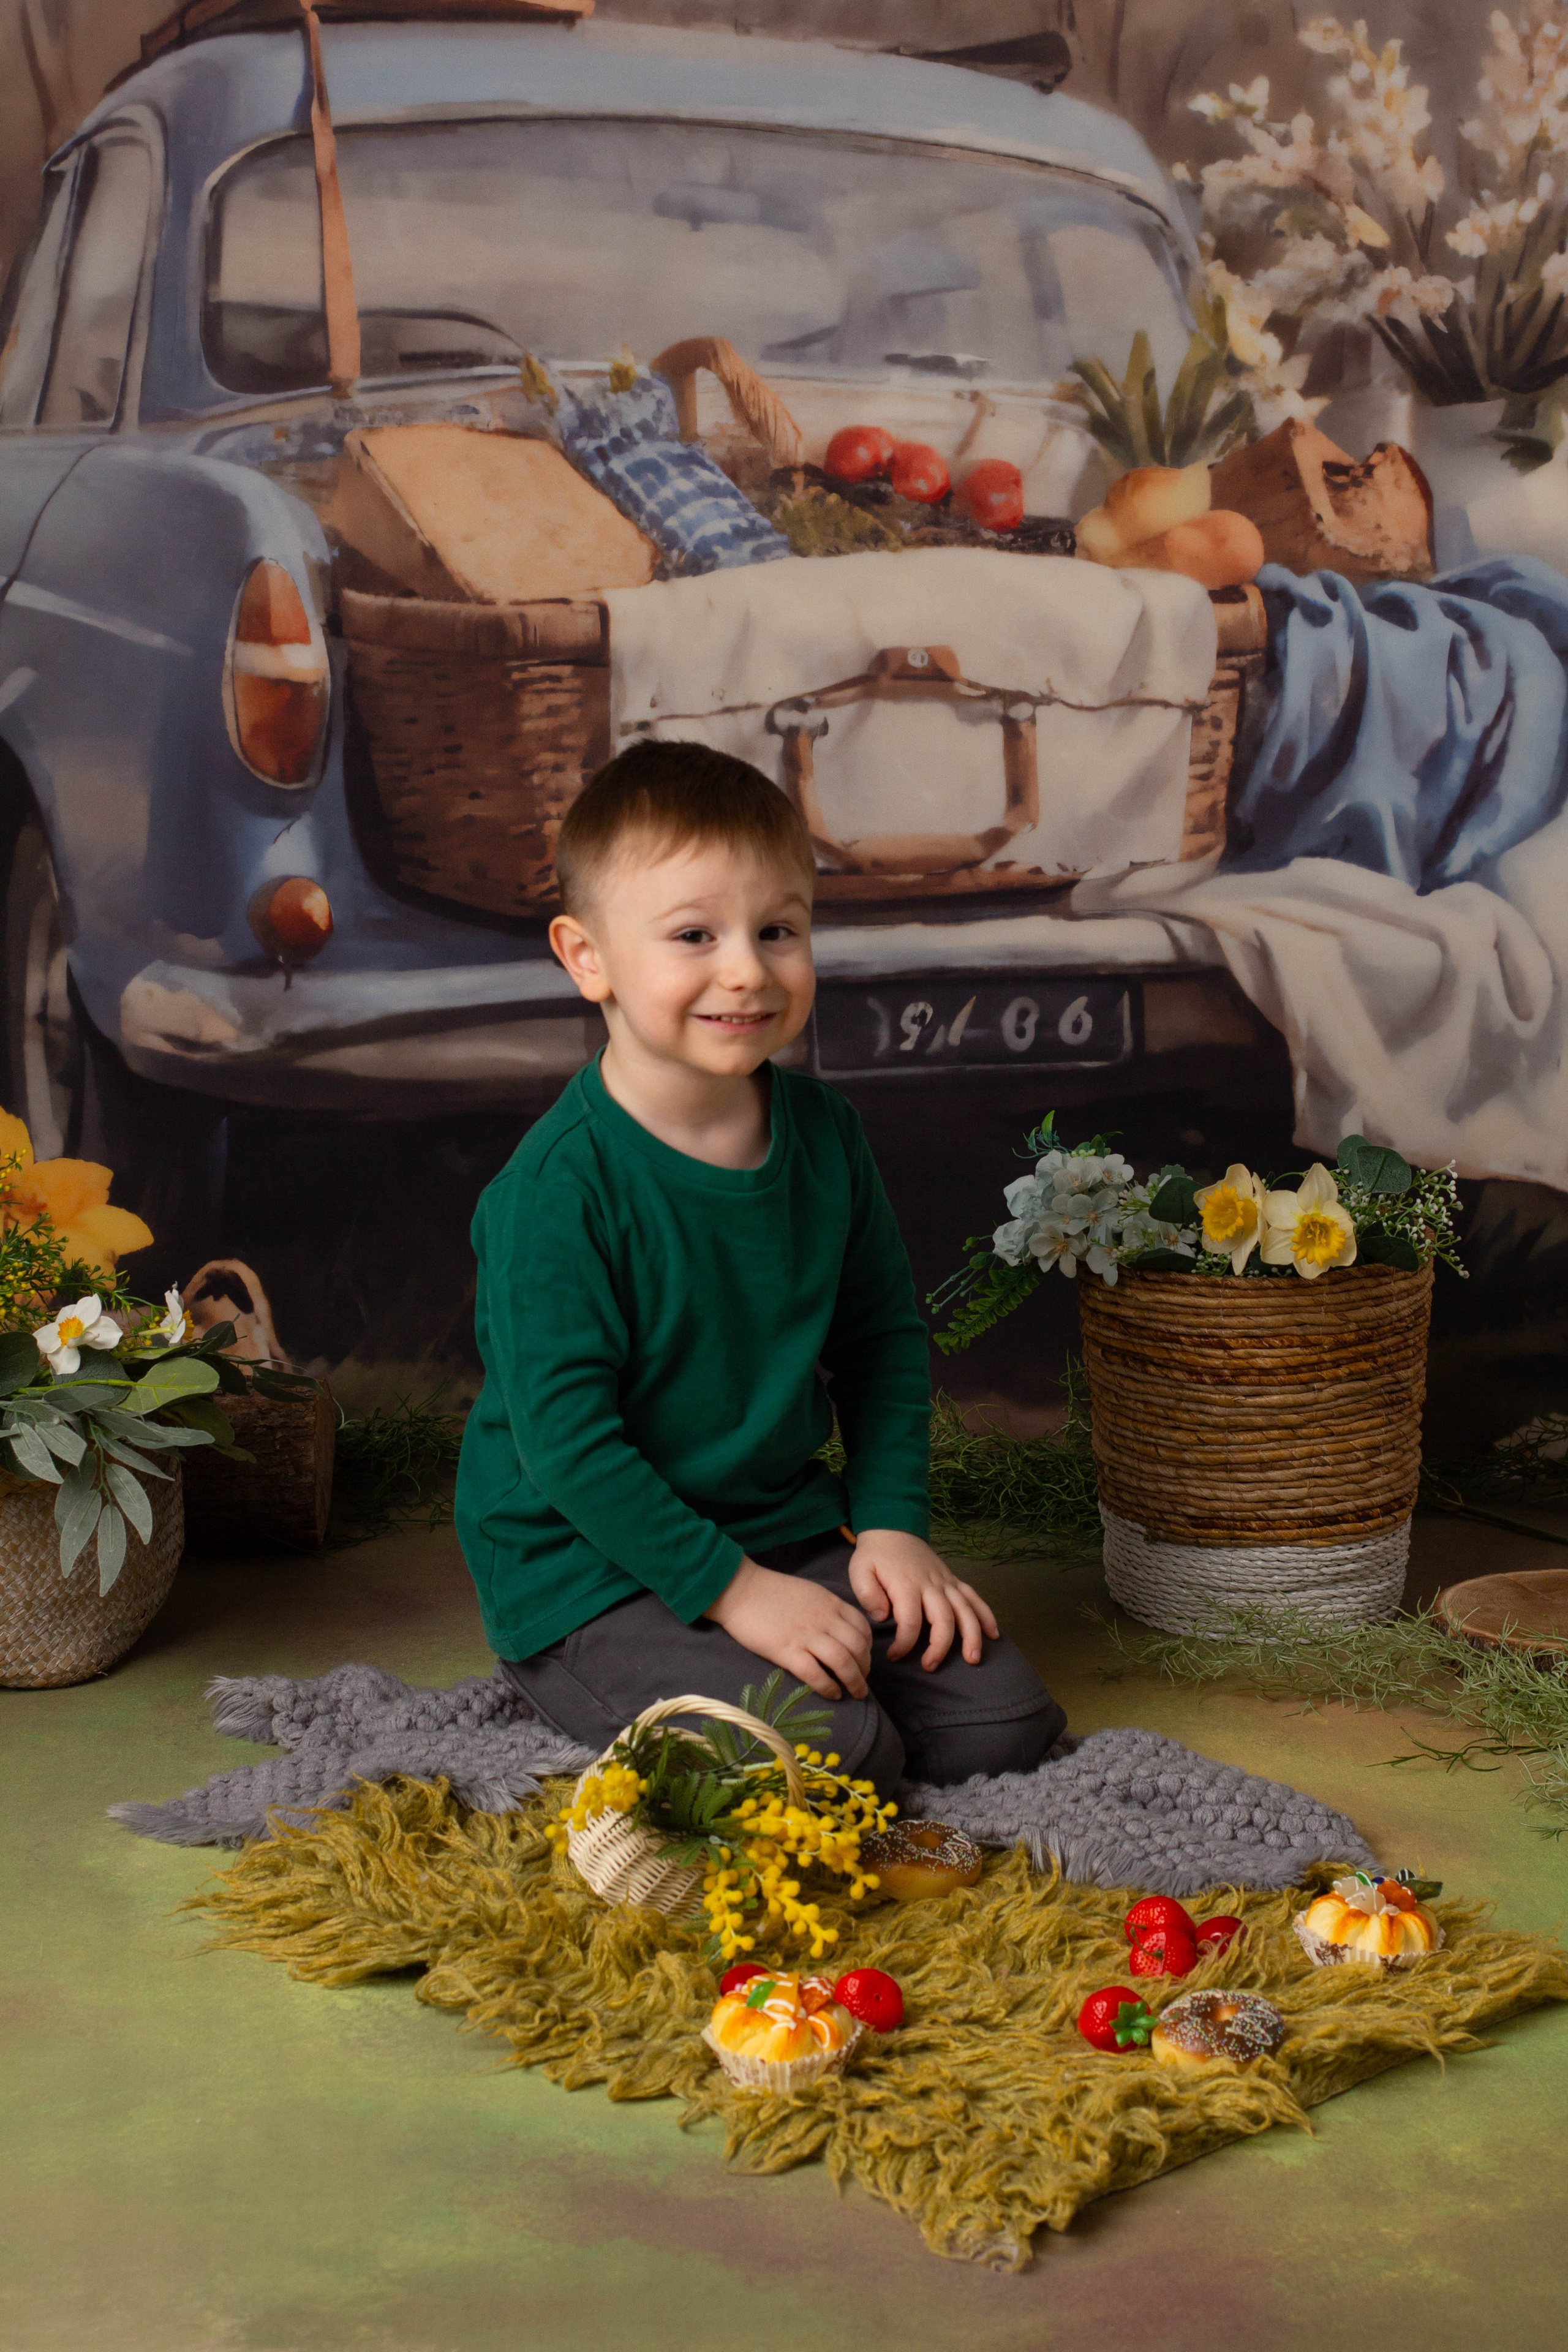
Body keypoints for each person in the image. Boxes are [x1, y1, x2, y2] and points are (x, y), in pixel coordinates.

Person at [454, 739, 1066, 1795]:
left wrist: (889, 1530)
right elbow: (568, 1448)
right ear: (586, 955)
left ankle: (770, 1646)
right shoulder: (558, 1190)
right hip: (588, 1566)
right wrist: (735, 1594)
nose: (747, 969)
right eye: (694, 934)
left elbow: (880, 1347)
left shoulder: (824, 1136)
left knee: (1003, 1722)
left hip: (778, 1529)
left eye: (779, 931)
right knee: (838, 1750)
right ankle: (576, 1673)